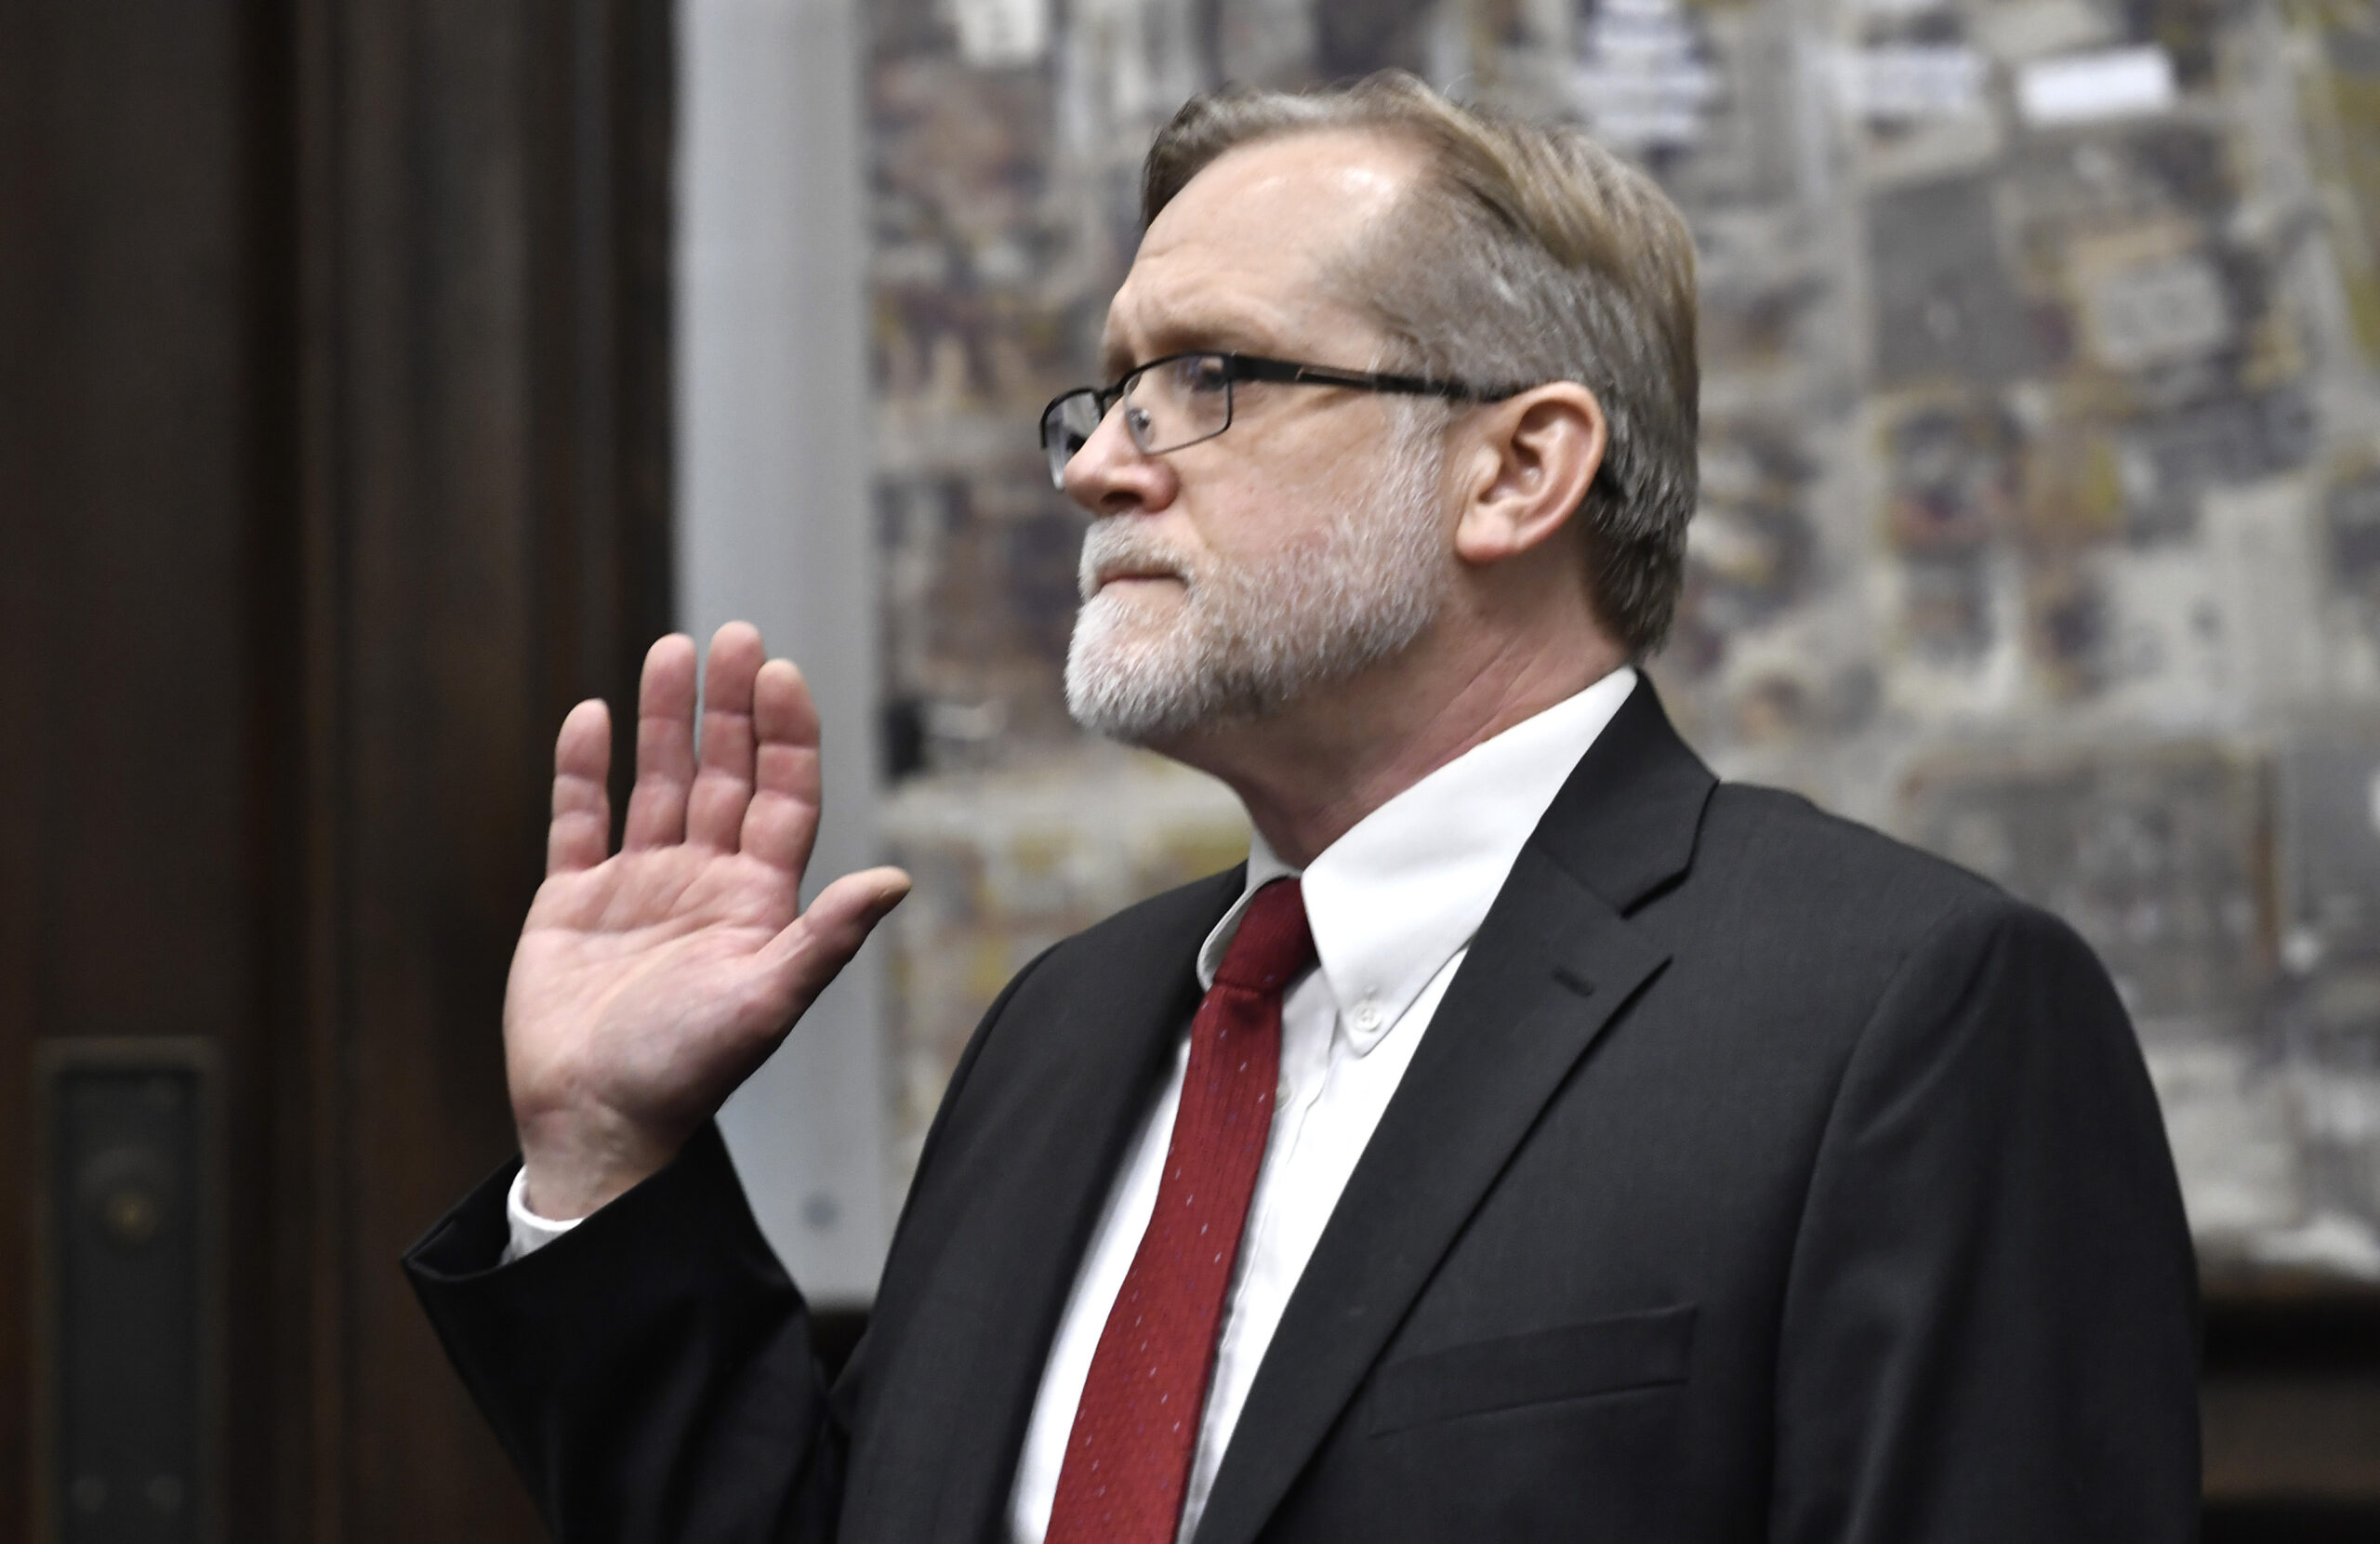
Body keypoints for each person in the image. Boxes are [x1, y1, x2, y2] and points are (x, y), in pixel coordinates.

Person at [406, 73, 2199, 1544]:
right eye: (1110, 388)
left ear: (1516, 468)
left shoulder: (1905, 1017)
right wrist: (607, 1163)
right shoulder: (1066, 1031)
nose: (1101, 459)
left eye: (1213, 378)